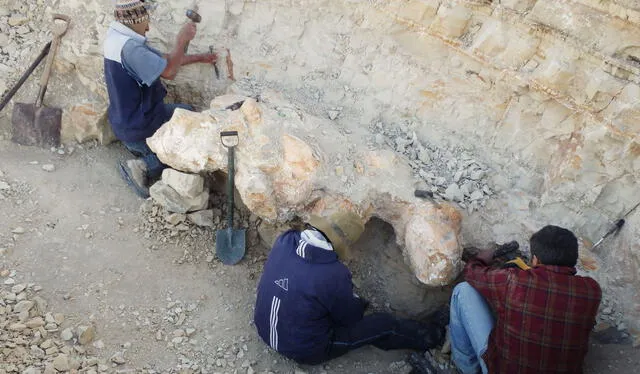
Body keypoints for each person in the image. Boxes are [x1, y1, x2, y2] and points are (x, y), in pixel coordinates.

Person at [253, 212, 448, 365]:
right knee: (382, 324)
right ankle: (435, 336)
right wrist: (358, 302)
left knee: (314, 302)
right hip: (306, 350)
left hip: (263, 329)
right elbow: (350, 319)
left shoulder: (285, 241)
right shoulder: (333, 273)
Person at [449, 225, 602, 374]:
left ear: (535, 260)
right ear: (573, 259)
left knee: (463, 291)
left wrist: (480, 259)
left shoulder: (514, 280)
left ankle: (467, 367)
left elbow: (471, 272)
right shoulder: (592, 291)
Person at [103, 0, 216, 198]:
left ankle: (143, 151)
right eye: (145, 21)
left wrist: (201, 57)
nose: (148, 27)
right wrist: (181, 40)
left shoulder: (117, 38)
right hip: (140, 127)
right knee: (185, 145)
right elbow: (170, 71)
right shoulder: (132, 50)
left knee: (187, 112)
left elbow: (164, 60)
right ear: (135, 20)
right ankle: (142, 165)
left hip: (129, 120)